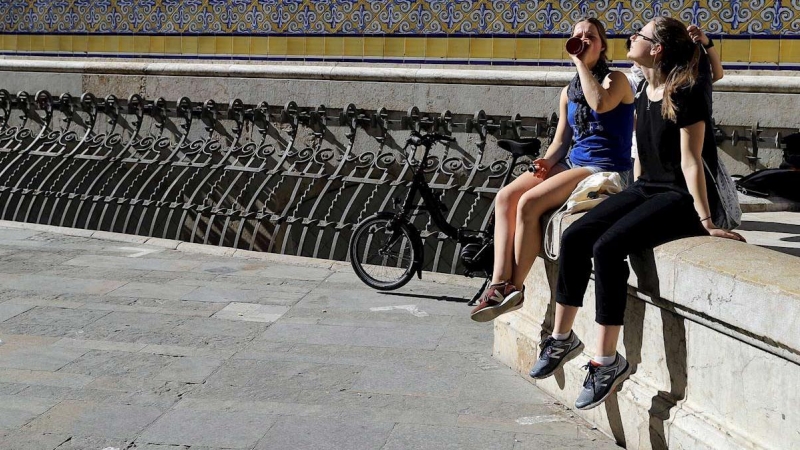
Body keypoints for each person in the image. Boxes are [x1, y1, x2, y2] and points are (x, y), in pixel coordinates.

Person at [528, 17, 745, 410]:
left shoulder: (688, 90)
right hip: (648, 188)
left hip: (680, 197)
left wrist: (707, 221)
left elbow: (692, 162)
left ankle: (606, 361)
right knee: (576, 235)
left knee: (609, 247)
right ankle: (561, 338)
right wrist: (627, 199)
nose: (631, 38)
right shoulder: (646, 89)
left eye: (640, 36)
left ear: (657, 48)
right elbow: (643, 159)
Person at [470, 18, 635, 323]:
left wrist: (581, 64)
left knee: (529, 204)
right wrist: (547, 161)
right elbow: (562, 140)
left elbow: (599, 103)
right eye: (577, 36)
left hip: (604, 169)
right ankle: (497, 283)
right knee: (506, 197)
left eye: (591, 37)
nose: (584, 40)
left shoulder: (617, 81)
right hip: (573, 162)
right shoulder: (567, 92)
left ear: (602, 46)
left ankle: (515, 289)